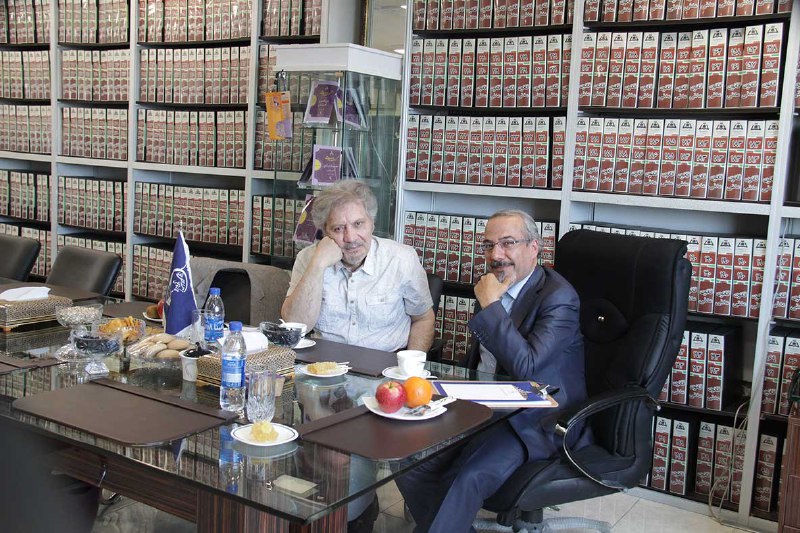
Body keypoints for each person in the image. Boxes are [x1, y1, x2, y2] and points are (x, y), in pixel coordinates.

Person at [396, 209, 589, 533]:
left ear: (534, 247)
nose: (496, 255)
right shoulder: (492, 286)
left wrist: (491, 306)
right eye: (488, 245)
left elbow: (527, 366)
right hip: (481, 404)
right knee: (406, 459)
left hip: (532, 419)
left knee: (468, 476)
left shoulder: (559, 298)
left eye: (507, 243)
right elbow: (483, 361)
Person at [282, 180, 434, 352]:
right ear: (325, 232)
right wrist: (317, 265)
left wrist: (411, 364)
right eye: (338, 229)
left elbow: (423, 319)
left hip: (386, 362)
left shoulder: (402, 259)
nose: (351, 238)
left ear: (372, 223)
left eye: (358, 224)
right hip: (324, 362)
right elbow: (294, 326)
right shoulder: (308, 258)